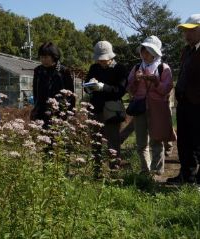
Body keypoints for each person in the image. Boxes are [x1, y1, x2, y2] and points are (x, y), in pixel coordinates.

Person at [127, 36, 176, 176]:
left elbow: (167, 89)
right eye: (144, 50)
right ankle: (145, 170)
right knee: (141, 142)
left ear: (155, 52)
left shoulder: (163, 68)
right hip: (140, 107)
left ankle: (157, 171)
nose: (145, 54)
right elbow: (130, 89)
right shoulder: (137, 67)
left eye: (148, 51)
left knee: (156, 140)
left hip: (157, 109)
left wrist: (156, 82)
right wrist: (136, 81)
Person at [167, 14, 200, 184]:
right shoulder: (186, 51)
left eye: (191, 31)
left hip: (198, 105)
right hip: (184, 102)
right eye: (185, 32)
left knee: (198, 142)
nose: (186, 35)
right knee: (184, 142)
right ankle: (186, 175)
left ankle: (198, 179)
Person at [84, 41, 128, 164]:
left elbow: (120, 91)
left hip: (112, 110)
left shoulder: (120, 69)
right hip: (95, 108)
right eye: (99, 60)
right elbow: (86, 88)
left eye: (103, 60)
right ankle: (96, 170)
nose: (101, 62)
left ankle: (114, 171)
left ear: (111, 57)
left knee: (113, 142)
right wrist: (90, 85)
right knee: (95, 141)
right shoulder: (94, 68)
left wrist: (103, 87)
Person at [30, 42, 75, 127]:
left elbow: (71, 95)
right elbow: (35, 92)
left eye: (46, 57)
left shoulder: (64, 71)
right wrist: (35, 109)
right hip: (41, 112)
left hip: (60, 112)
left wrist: (70, 113)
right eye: (41, 57)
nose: (43, 60)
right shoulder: (38, 71)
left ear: (54, 57)